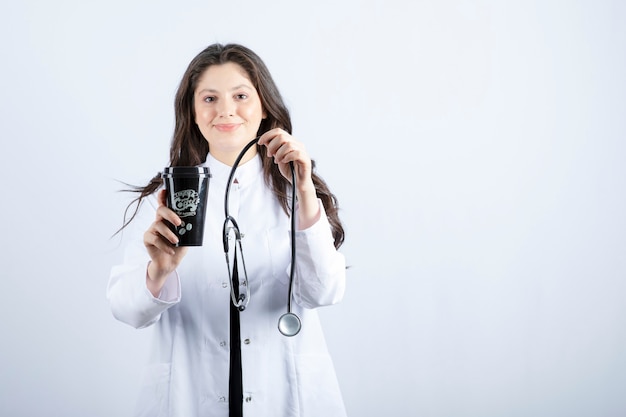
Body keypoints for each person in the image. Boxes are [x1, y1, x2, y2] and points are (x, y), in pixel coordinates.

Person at [107, 43, 347, 417]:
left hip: (287, 395)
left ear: (264, 105)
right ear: (193, 112)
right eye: (209, 98)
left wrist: (304, 191)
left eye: (240, 95)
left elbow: (325, 291)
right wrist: (158, 273)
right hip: (189, 396)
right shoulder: (167, 198)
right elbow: (127, 309)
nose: (225, 111)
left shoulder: (297, 193)